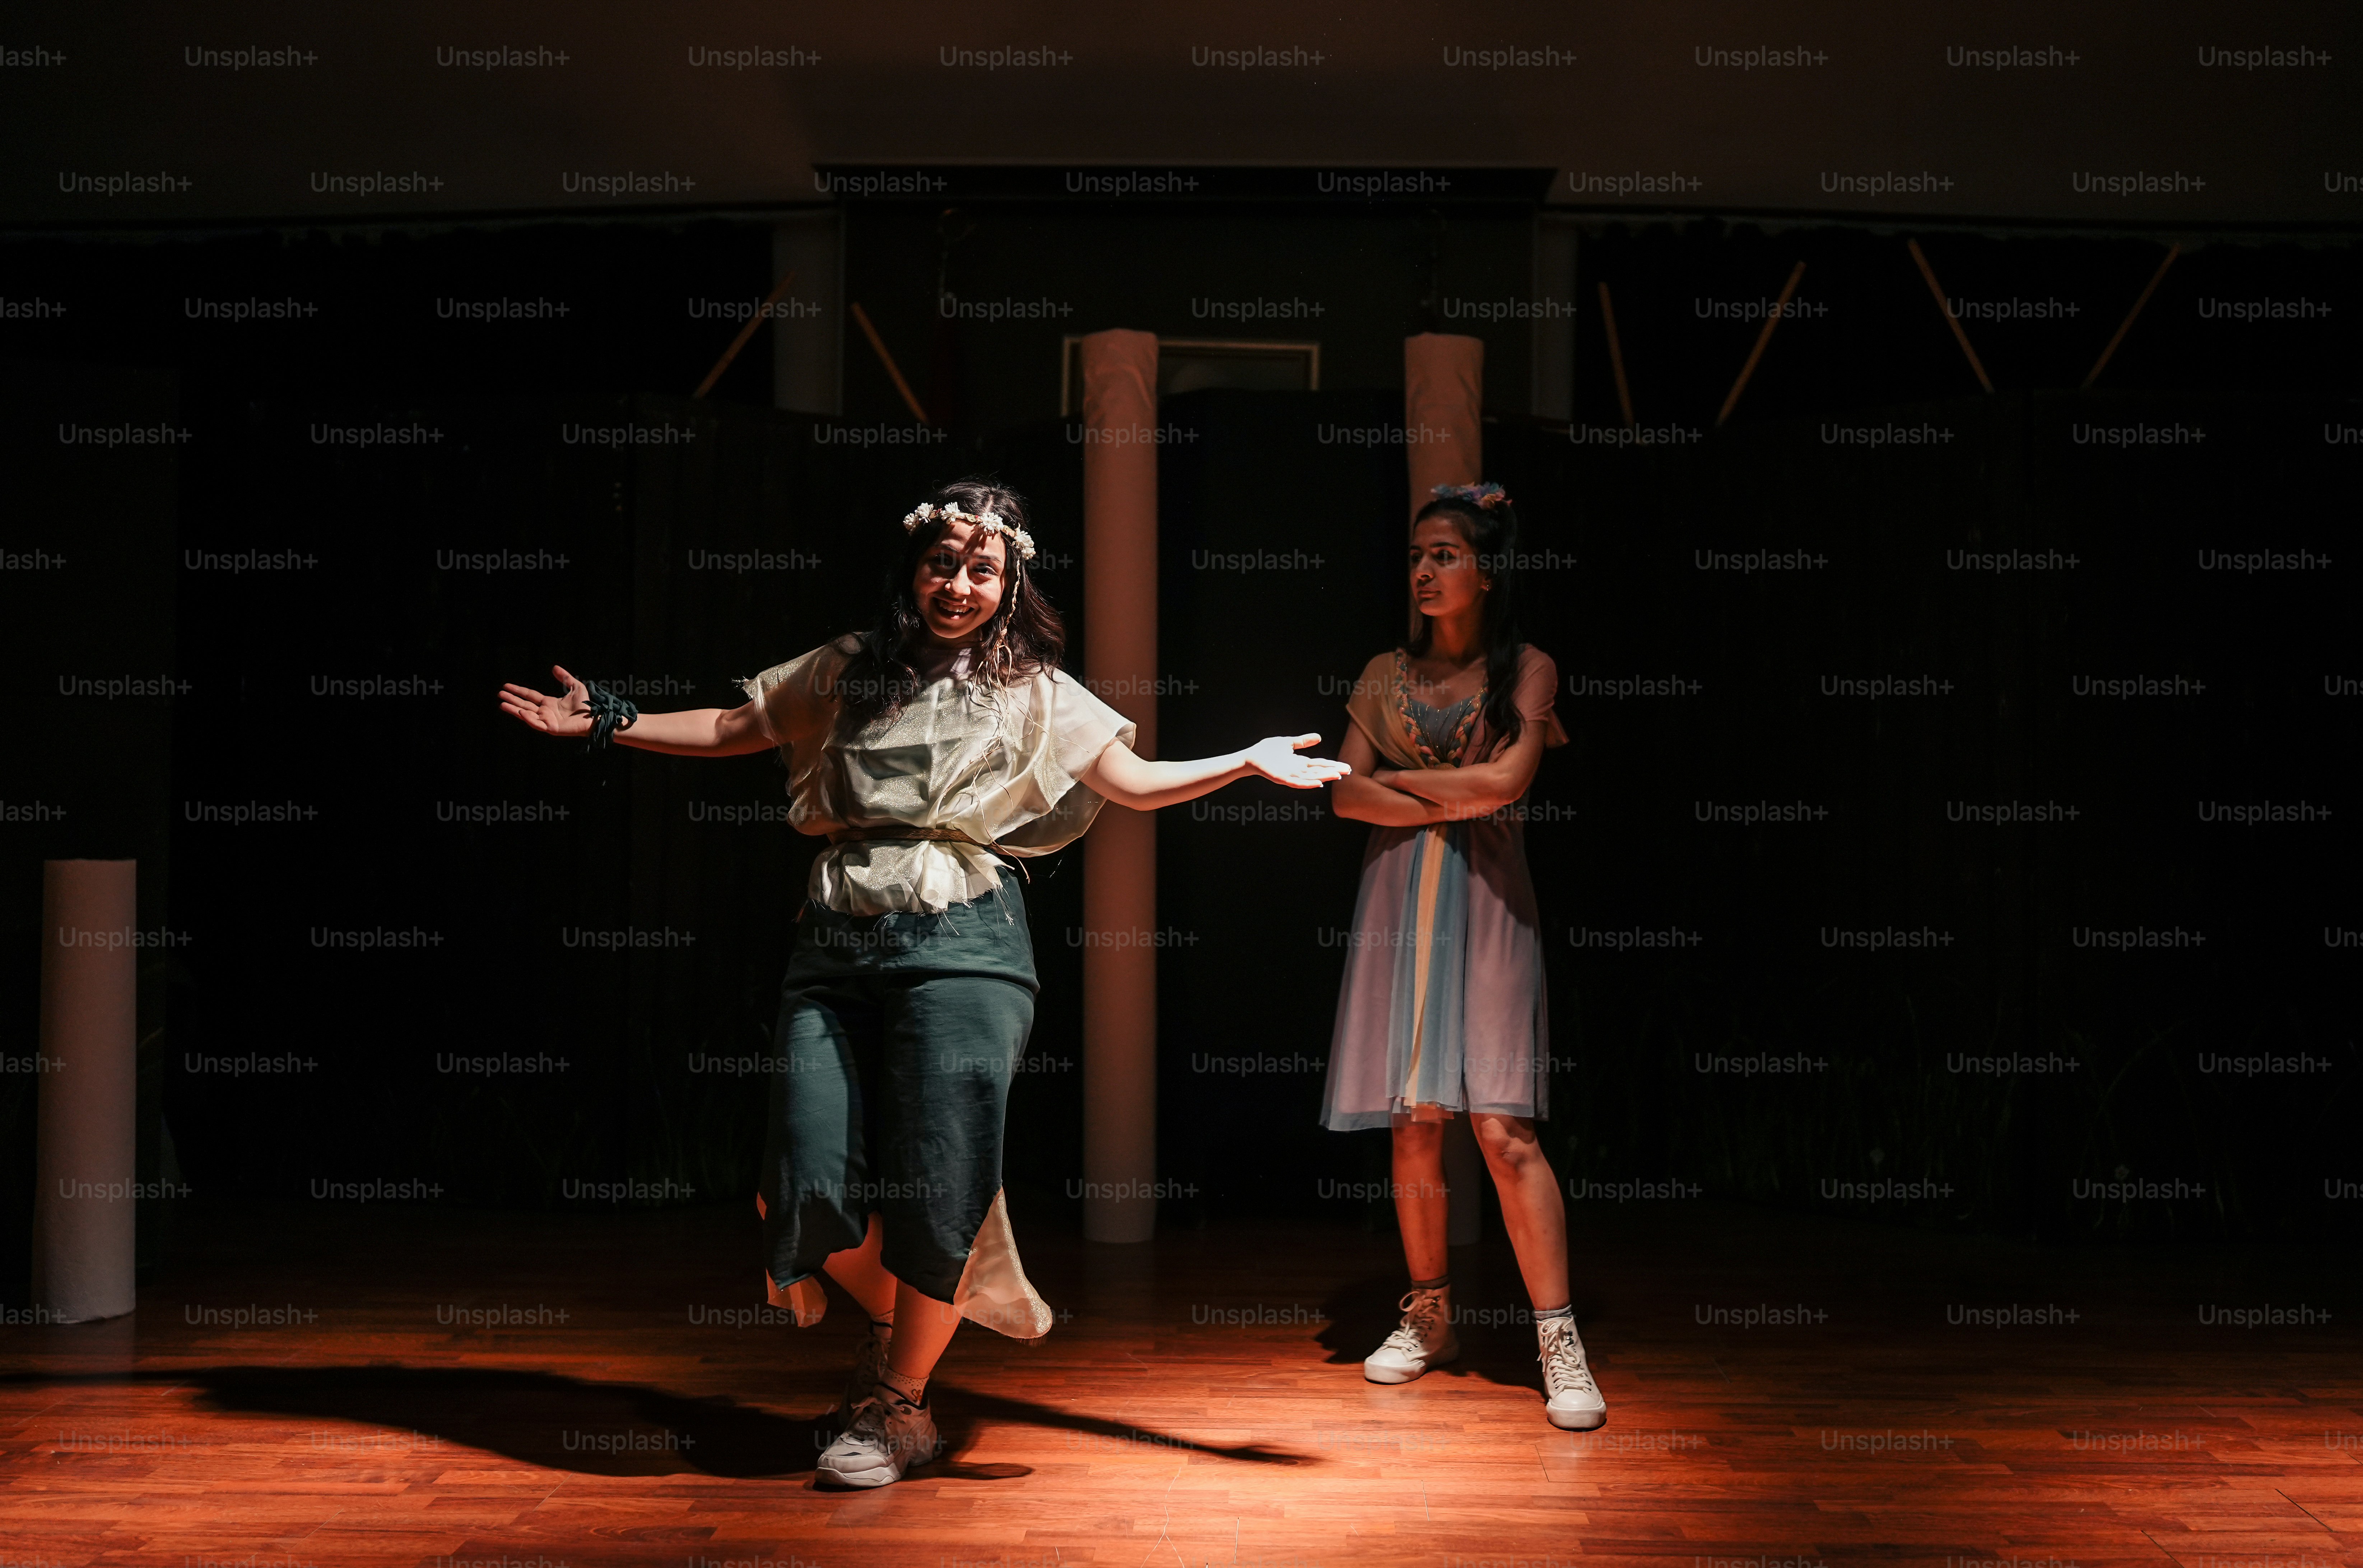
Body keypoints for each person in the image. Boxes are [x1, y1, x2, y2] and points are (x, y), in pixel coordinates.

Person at [499, 478, 1347, 1489]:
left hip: (968, 943)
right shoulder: (852, 668)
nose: (958, 584)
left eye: (981, 568)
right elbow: (739, 728)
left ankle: (899, 1404)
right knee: (798, 1188)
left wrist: (1247, 762)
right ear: (914, 568)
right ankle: (908, 1321)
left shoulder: (1036, 688)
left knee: (942, 1181)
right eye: (943, 562)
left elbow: (1137, 783)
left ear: (1010, 578)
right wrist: (610, 719)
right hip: (837, 938)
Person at [1319, 481, 1603, 1430]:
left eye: (1445, 554)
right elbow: (1344, 800)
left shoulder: (1527, 670)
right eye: (1417, 555)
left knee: (1503, 1128)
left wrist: (1399, 781)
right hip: (1399, 902)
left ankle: (1558, 1339)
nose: (1426, 571)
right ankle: (1429, 1313)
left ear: (1488, 569)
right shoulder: (1380, 672)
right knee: (1414, 1122)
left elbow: (1507, 785)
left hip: (1484, 904)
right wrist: (1445, 787)